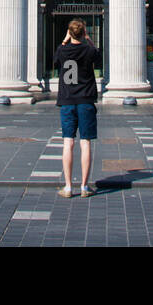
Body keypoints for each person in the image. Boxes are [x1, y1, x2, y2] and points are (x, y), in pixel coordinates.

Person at [54, 19, 100, 198]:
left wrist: (65, 41)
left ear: (69, 33)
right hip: (86, 100)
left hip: (67, 100)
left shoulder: (62, 50)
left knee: (68, 142)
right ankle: (84, 186)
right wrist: (88, 40)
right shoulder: (89, 50)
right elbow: (97, 54)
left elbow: (56, 61)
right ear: (83, 33)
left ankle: (67, 186)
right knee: (85, 142)